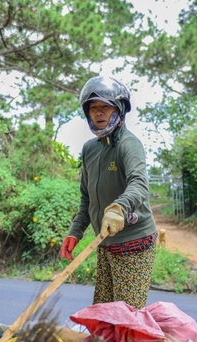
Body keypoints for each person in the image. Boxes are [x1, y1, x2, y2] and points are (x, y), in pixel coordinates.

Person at [60, 75, 158, 310]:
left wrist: (119, 208)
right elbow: (87, 198)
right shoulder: (90, 149)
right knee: (103, 313)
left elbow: (139, 184)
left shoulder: (128, 144)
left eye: (105, 107)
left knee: (126, 317)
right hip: (104, 242)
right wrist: (75, 232)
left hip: (134, 242)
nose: (99, 113)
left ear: (120, 109)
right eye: (93, 108)